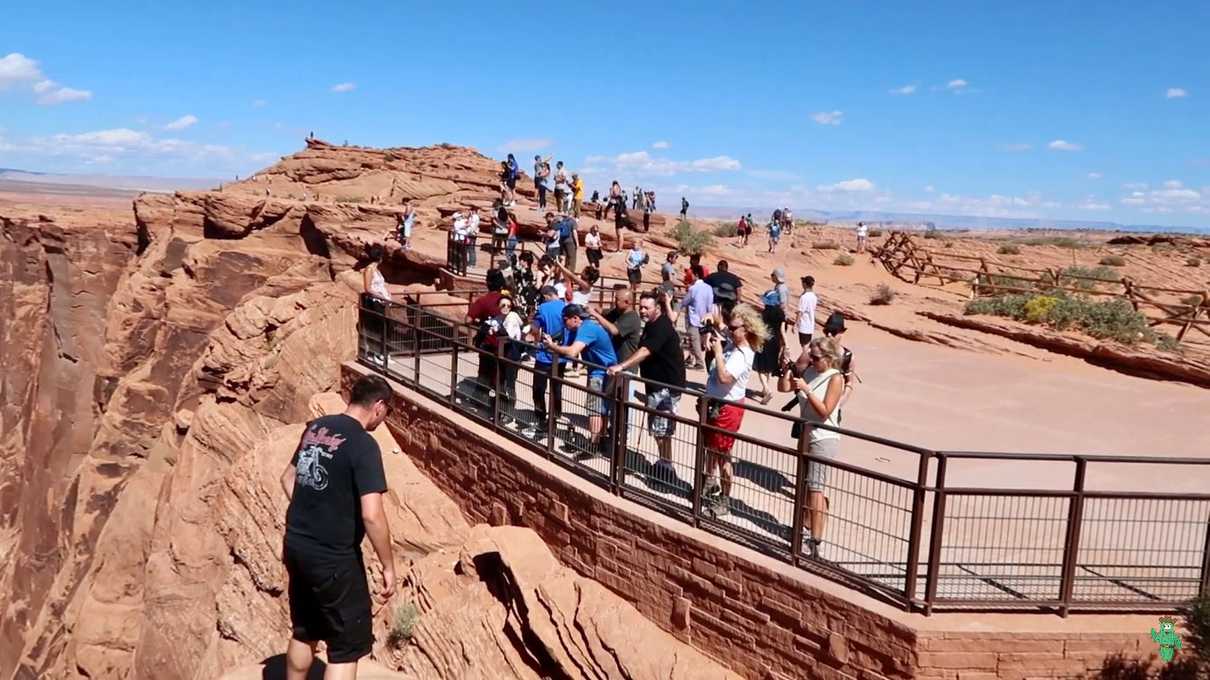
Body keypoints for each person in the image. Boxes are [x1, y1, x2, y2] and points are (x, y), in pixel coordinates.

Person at [279, 373, 394, 680]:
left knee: (305, 629)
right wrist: (388, 565)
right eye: (386, 414)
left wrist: (314, 508)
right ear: (379, 407)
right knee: (345, 647)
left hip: (297, 545)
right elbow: (372, 515)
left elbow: (287, 478)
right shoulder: (363, 444)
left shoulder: (316, 428)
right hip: (333, 559)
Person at [608, 290, 684, 482]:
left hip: (666, 387)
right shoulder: (652, 324)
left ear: (657, 309)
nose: (642, 311)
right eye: (640, 307)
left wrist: (622, 366)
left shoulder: (660, 327)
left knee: (662, 429)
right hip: (655, 385)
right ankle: (663, 463)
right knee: (657, 429)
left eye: (646, 308)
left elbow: (645, 350)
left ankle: (667, 469)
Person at [779, 336, 845, 559]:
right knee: (804, 486)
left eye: (815, 358)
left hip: (823, 438)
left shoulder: (835, 378)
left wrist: (806, 389)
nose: (812, 361)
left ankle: (816, 540)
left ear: (828, 358)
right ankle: (802, 528)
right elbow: (784, 387)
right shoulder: (809, 372)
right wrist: (787, 369)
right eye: (811, 357)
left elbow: (825, 411)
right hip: (805, 435)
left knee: (815, 489)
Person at [701, 303, 767, 518]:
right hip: (714, 403)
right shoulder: (732, 342)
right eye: (730, 327)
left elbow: (725, 377)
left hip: (727, 408)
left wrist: (719, 353)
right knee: (710, 447)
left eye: (734, 328)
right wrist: (714, 322)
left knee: (723, 454)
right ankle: (709, 484)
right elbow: (722, 326)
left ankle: (725, 498)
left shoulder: (744, 354)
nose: (730, 330)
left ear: (746, 330)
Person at [543, 304, 618, 456]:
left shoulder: (587, 328)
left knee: (594, 410)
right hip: (606, 372)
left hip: (600, 373)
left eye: (566, 321)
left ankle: (593, 446)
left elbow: (571, 352)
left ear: (575, 319)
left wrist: (552, 346)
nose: (564, 324)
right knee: (601, 409)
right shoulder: (584, 327)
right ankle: (600, 441)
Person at [525, 286, 567, 438]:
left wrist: (534, 339)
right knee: (556, 387)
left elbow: (535, 329)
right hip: (561, 355)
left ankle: (541, 416)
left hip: (544, 355)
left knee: (538, 387)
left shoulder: (543, 307)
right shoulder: (567, 307)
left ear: (547, 296)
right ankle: (555, 416)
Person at [592, 283, 642, 403]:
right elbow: (606, 313)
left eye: (617, 300)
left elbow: (614, 330)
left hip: (627, 367)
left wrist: (595, 315)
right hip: (615, 364)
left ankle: (625, 422)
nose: (615, 302)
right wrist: (597, 310)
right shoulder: (618, 312)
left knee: (625, 402)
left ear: (627, 302)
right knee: (612, 399)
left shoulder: (632, 318)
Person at [467, 269, 507, 405]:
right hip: (505, 344)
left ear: (488, 283)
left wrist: (479, 322)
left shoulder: (483, 301)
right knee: (500, 374)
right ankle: (500, 406)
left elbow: (467, 320)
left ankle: (479, 399)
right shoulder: (508, 301)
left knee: (484, 371)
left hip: (488, 343)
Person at [752, 286, 787, 405]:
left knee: (760, 366)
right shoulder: (781, 313)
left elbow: (760, 329)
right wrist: (786, 344)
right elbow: (782, 331)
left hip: (764, 341)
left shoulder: (764, 313)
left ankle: (767, 389)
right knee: (770, 365)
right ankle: (764, 390)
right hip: (776, 342)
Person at [495, 293, 525, 423]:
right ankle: (501, 409)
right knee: (500, 383)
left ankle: (509, 412)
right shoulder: (499, 317)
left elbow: (507, 337)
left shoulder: (511, 318)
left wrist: (495, 330)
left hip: (511, 356)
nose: (506, 307)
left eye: (508, 305)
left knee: (509, 385)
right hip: (502, 355)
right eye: (503, 305)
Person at [359, 244, 391, 364]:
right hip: (374, 302)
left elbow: (380, 285)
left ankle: (383, 354)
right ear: (380, 257)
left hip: (382, 302)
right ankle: (374, 354)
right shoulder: (369, 269)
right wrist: (381, 296)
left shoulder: (377, 269)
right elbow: (367, 288)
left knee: (386, 327)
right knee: (377, 328)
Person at [679, 265, 714, 370]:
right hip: (704, 318)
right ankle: (691, 358)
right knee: (699, 341)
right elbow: (710, 304)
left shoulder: (693, 289)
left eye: (692, 274)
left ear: (696, 275)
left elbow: (685, 301)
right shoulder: (708, 288)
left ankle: (699, 362)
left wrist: (678, 308)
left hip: (693, 318)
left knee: (694, 341)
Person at [796, 275, 818, 348]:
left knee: (804, 346)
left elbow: (800, 311)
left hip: (804, 325)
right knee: (806, 344)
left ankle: (805, 358)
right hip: (810, 325)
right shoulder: (814, 296)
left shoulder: (804, 297)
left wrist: (795, 324)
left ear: (805, 284)